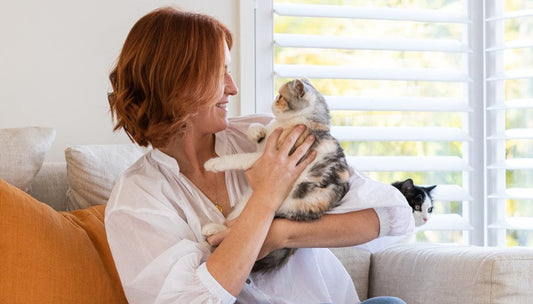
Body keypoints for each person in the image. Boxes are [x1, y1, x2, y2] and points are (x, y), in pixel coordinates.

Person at [105, 6, 414, 304]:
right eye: (220, 71)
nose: (233, 87)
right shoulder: (137, 198)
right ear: (175, 82)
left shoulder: (271, 136)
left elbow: (393, 216)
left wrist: (280, 234)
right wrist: (266, 197)